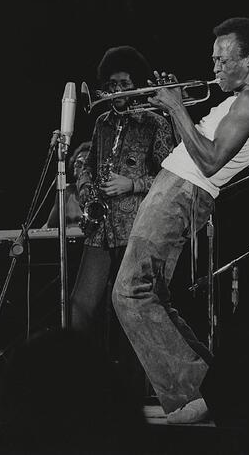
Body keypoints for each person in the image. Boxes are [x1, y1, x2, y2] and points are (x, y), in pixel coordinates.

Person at [111, 17, 249, 423]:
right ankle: (215, 389)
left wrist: (175, 108)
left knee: (130, 292)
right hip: (176, 186)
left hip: (183, 190)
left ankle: (190, 393)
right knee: (153, 295)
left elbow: (209, 159)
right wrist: (171, 108)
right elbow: (198, 146)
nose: (215, 68)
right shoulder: (238, 99)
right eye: (214, 59)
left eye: (224, 60)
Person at [71, 46, 174, 377]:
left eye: (124, 83)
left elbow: (170, 176)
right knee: (80, 305)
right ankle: (82, 377)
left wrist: (131, 185)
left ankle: (135, 388)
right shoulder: (101, 122)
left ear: (136, 84)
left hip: (137, 227)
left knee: (129, 310)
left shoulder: (155, 123)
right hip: (100, 227)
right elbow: (87, 163)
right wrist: (87, 191)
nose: (117, 91)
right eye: (112, 84)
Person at [42, 141, 91, 228]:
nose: (78, 163)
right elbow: (50, 225)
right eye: (78, 160)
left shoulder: (100, 193)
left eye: (84, 161)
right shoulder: (66, 191)